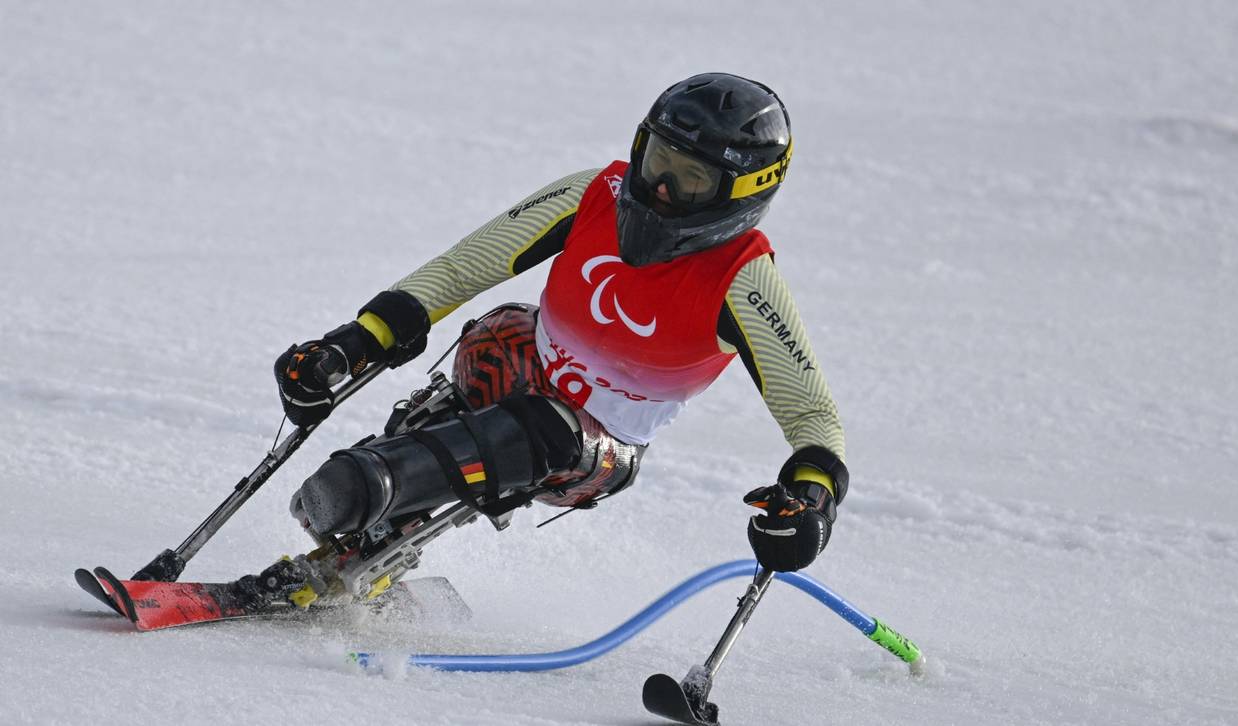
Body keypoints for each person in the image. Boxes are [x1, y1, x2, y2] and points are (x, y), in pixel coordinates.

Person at [272, 72, 848, 597]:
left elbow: (814, 417)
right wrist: (356, 340)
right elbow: (462, 268)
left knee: (541, 428)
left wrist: (810, 502)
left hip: (594, 448)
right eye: (657, 161)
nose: (662, 189)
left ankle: (376, 485)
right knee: (497, 335)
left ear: (742, 193)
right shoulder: (593, 194)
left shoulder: (743, 281)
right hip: (523, 364)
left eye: (692, 179)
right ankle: (374, 536)